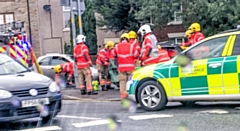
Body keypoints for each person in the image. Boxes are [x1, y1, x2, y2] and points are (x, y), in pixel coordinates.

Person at [112, 33, 139, 99]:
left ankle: (123, 96)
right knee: (131, 81)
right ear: (128, 39)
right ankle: (131, 94)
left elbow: (113, 54)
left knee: (122, 81)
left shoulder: (117, 46)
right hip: (130, 67)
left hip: (121, 68)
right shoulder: (131, 46)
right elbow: (136, 55)